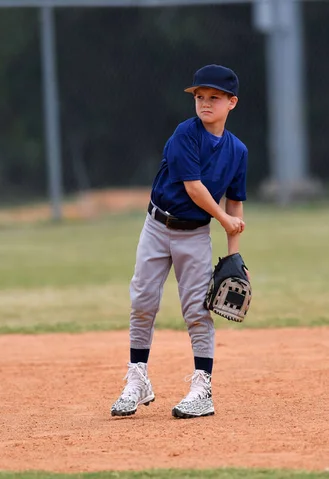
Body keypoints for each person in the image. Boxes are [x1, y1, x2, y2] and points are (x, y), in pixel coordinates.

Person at [110, 64, 248, 419]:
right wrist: (225, 218)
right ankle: (137, 379)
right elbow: (194, 188)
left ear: (231, 102)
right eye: (199, 97)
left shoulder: (238, 151)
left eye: (214, 98)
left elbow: (235, 202)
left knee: (197, 311)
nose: (204, 103)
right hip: (157, 226)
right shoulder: (186, 134)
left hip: (195, 234)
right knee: (142, 300)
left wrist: (234, 259)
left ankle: (203, 388)